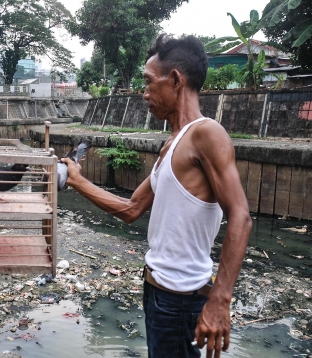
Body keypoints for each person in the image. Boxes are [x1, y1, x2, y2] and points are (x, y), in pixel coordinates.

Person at [62, 34, 252, 358]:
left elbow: (241, 217)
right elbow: (132, 207)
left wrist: (220, 301)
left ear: (176, 80)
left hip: (181, 299)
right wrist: (77, 182)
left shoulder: (207, 134)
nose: (144, 93)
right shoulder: (171, 144)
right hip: (157, 294)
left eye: (149, 83)